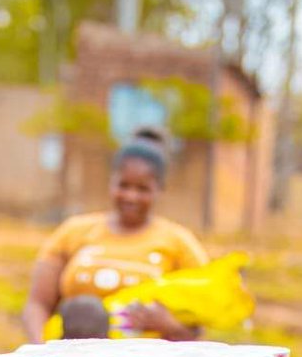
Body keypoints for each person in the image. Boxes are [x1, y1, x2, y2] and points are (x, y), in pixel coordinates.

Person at [23, 136, 207, 344]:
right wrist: (40, 356)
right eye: (124, 185)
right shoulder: (73, 232)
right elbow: (37, 304)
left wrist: (169, 326)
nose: (131, 196)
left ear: (159, 188)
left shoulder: (179, 242)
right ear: (111, 182)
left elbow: (197, 329)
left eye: (142, 189)